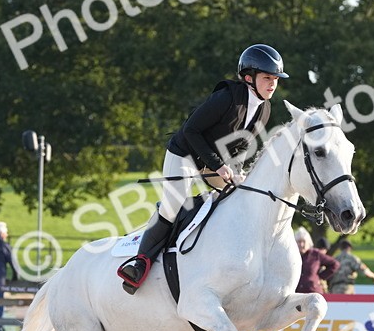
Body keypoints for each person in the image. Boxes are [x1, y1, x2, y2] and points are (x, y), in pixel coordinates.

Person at [117, 43, 286, 294]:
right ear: (248, 78)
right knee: (174, 207)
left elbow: (240, 145)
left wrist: (234, 170)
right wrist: (218, 166)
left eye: (275, 79)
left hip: (213, 161)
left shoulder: (265, 109)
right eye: (266, 78)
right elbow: (191, 131)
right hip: (184, 152)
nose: (272, 84)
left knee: (239, 197)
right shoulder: (226, 97)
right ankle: (139, 264)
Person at [295, 227, 338, 294]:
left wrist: (320, 277)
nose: (301, 244)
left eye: (303, 241)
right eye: (299, 242)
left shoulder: (315, 254)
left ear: (308, 242)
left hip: (313, 292)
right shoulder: (291, 255)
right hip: (295, 293)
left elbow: (335, 264)